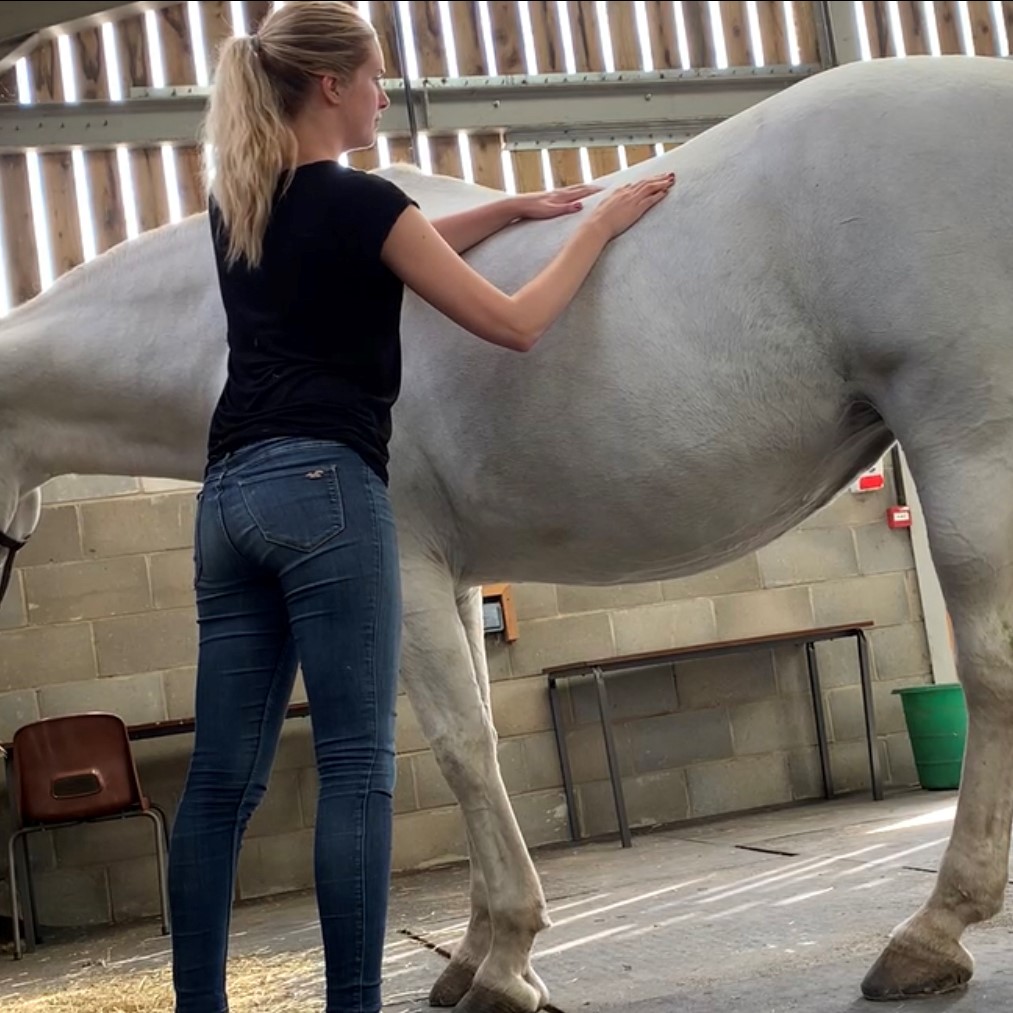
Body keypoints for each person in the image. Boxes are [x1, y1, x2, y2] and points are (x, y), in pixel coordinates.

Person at [166, 3, 676, 1012]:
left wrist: (507, 211)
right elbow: (515, 323)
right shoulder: (362, 202)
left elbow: (383, 250)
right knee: (357, 770)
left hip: (226, 500)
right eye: (375, 76)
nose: (384, 94)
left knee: (220, 785)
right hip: (325, 494)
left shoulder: (242, 204)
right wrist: (596, 226)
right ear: (328, 86)